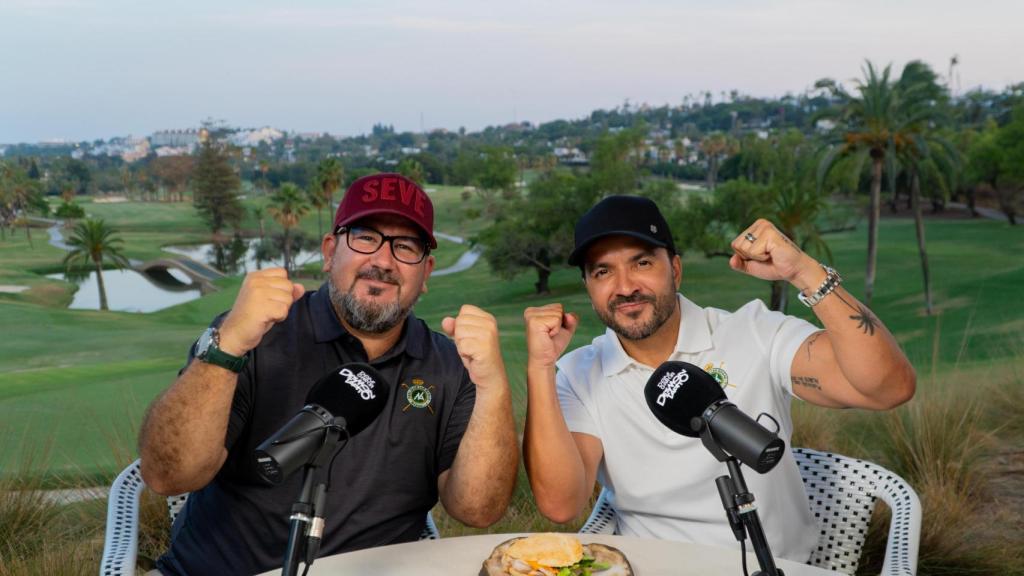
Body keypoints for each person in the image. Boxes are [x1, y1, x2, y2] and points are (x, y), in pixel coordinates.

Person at [139, 173, 518, 576]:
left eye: (405, 247)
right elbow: (167, 476)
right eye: (365, 237)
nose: (383, 261)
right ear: (329, 251)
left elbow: (478, 511)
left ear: (425, 273)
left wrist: (493, 385)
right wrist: (229, 344)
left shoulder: (448, 365)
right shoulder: (257, 335)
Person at [522, 195, 915, 561]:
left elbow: (889, 387)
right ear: (589, 287)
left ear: (674, 268)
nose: (625, 287)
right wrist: (540, 367)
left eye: (642, 263)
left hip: (772, 566)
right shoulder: (578, 373)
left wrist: (804, 273)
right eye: (603, 271)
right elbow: (562, 505)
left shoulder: (755, 333)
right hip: (653, 568)